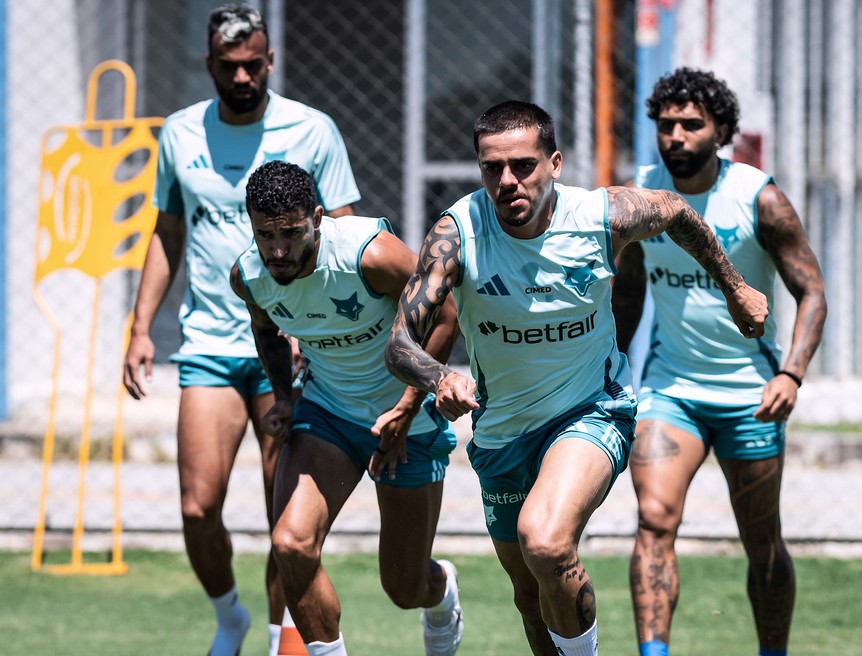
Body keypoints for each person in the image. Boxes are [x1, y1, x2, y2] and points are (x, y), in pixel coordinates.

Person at [385, 100, 770, 656]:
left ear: (555, 163)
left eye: (523, 165)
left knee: (545, 542)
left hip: (591, 411)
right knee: (529, 595)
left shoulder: (598, 215)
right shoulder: (458, 232)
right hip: (503, 433)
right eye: (492, 168)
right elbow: (399, 343)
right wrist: (439, 375)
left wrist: (734, 286)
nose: (508, 181)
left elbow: (675, 211)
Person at [121, 6, 361, 655]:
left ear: (271, 60)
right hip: (210, 345)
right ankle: (230, 616)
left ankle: (286, 636)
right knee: (198, 507)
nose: (243, 75)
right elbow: (168, 230)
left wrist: (330, 332)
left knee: (283, 517)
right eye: (230, 67)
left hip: (289, 346)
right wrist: (141, 326)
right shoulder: (179, 133)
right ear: (210, 67)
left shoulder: (312, 130)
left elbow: (345, 237)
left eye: (254, 63)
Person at [612, 68, 827, 656]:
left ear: (722, 130)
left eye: (691, 124)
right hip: (669, 390)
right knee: (654, 520)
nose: (675, 136)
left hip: (751, 395)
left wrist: (791, 373)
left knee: (761, 542)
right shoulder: (642, 196)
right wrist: (608, 369)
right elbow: (628, 293)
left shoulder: (759, 198)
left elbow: (812, 292)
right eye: (665, 125)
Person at [230, 160, 465, 656]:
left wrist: (406, 407)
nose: (277, 250)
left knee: (404, 589)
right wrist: (286, 399)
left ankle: (441, 588)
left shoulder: (369, 255)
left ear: (317, 217)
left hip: (409, 422)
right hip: (328, 416)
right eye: (264, 234)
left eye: (291, 233)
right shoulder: (249, 276)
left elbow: (446, 314)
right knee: (292, 543)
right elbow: (267, 330)